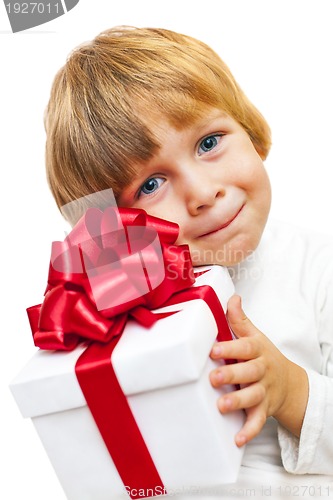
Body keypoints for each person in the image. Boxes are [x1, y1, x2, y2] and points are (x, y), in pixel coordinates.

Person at [44, 26, 333, 497]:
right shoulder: (114, 311)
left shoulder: (319, 268)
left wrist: (290, 390)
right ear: (109, 228)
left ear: (250, 130)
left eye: (209, 142)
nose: (202, 193)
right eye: (151, 185)